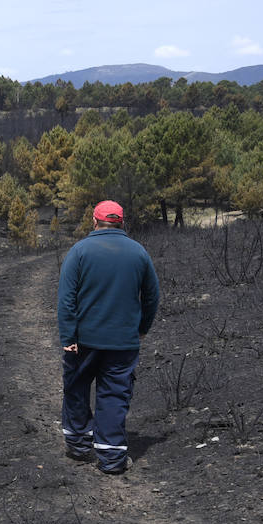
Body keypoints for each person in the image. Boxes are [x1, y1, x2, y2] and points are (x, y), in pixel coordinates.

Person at [56, 200, 160, 475]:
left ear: (94, 221)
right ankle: (112, 459)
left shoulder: (78, 251)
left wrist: (68, 335)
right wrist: (142, 327)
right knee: (113, 394)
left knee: (76, 388)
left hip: (83, 341)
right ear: (121, 222)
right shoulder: (139, 253)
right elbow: (152, 296)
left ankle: (79, 445)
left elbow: (66, 299)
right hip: (123, 341)